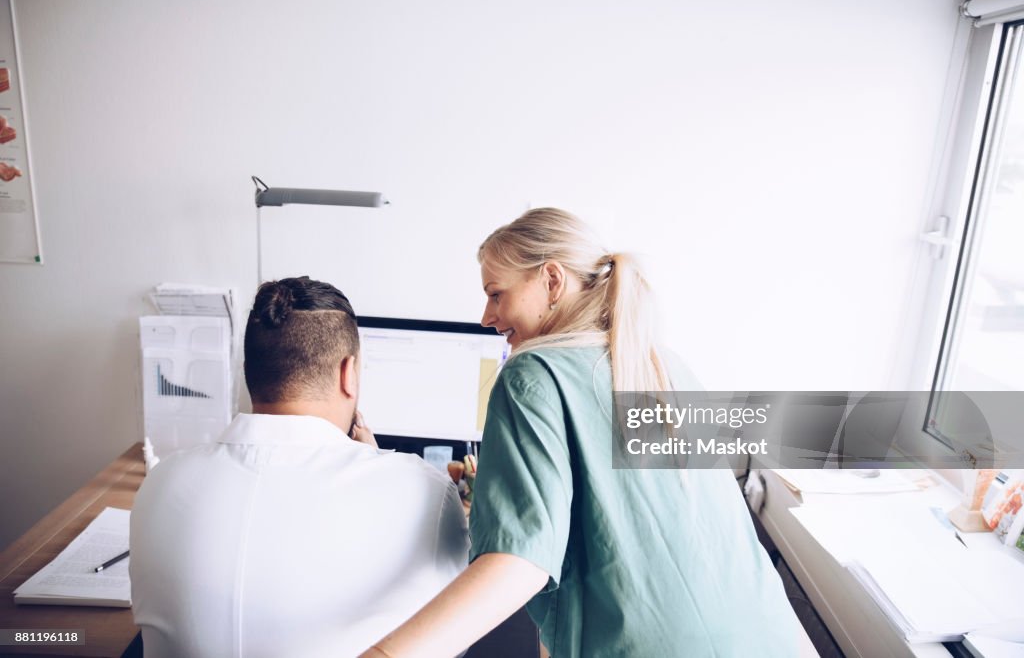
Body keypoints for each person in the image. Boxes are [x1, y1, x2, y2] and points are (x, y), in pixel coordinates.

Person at [361, 209, 800, 657]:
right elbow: (638, 515)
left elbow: (518, 565)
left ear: (552, 279)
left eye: (496, 294)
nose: (486, 316)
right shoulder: (662, 363)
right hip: (773, 637)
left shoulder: (532, 374)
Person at [131, 277, 468, 657]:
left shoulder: (160, 483)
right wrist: (384, 465)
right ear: (348, 374)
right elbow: (454, 626)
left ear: (249, 371)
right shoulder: (424, 492)